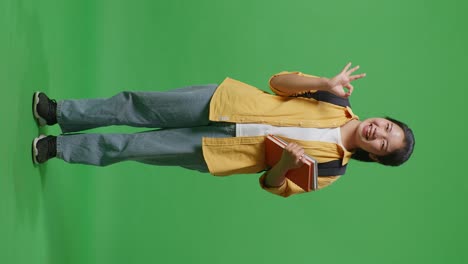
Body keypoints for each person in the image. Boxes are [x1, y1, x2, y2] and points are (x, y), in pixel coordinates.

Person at [31, 63, 415, 197]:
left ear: (376, 156)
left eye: (385, 142)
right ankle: (60, 112)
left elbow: (273, 185)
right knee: (135, 104)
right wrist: (324, 81)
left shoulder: (332, 170)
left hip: (220, 150)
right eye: (387, 126)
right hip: (225, 101)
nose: (379, 132)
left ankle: (57, 149)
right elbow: (279, 82)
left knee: (131, 147)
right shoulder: (335, 100)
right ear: (382, 117)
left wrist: (283, 163)